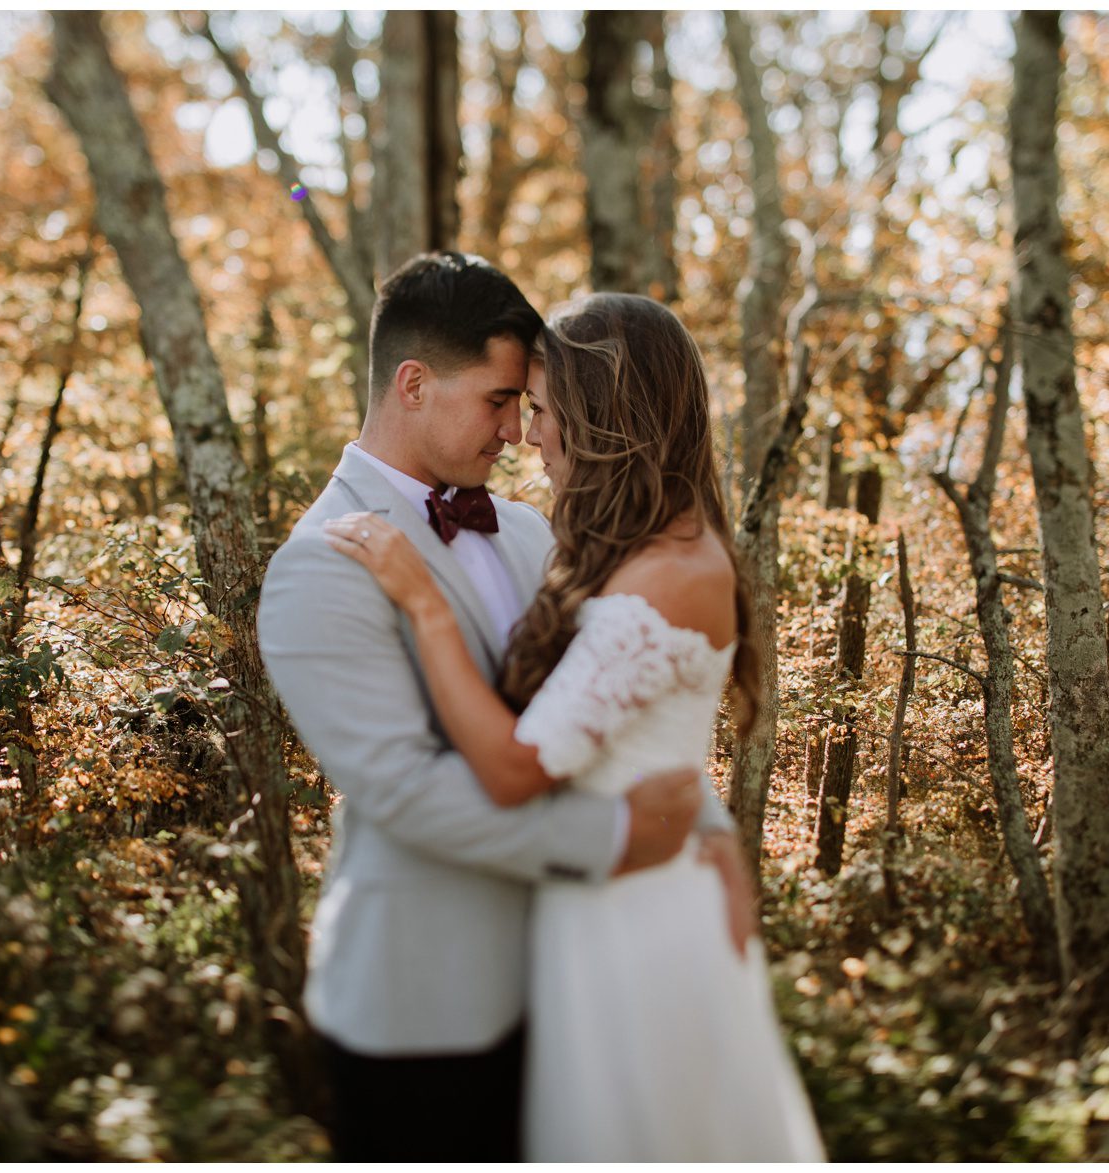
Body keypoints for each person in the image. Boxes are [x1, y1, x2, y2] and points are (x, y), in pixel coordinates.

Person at [256, 253, 748, 1161]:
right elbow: (407, 790)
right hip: (426, 1007)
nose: (519, 430)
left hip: (569, 975)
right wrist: (616, 838)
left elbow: (624, 699)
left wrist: (703, 824)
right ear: (413, 385)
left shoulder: (530, 529)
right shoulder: (320, 565)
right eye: (498, 400)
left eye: (526, 404)